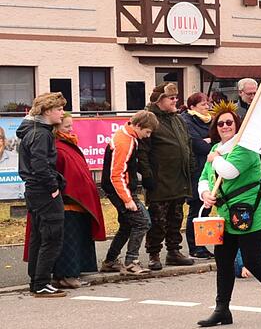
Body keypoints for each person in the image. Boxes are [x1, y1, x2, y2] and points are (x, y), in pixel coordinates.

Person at [197, 102, 261, 327]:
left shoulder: (245, 147)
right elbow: (204, 176)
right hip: (225, 213)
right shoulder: (216, 150)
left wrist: (216, 159)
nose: (224, 126)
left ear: (237, 124)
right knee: (223, 260)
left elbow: (229, 172)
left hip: (252, 212)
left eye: (229, 122)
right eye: (220, 123)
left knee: (252, 260)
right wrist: (205, 193)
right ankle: (222, 309)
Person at [27, 113, 106, 288]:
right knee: (62, 242)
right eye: (67, 127)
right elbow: (47, 171)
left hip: (75, 203)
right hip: (64, 203)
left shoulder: (67, 145)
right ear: (56, 128)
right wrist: (59, 190)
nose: (71, 130)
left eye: (71, 126)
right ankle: (63, 275)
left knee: (73, 240)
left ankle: (69, 274)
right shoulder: (57, 147)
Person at [18, 93, 69, 297]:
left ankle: (36, 281)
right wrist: (52, 186)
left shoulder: (34, 131)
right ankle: (41, 283)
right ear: (47, 111)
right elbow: (39, 164)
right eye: (59, 109)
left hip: (34, 190)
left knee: (38, 236)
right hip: (43, 191)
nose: (62, 113)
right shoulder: (41, 133)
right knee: (52, 236)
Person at [139, 82, 193, 269]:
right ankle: (154, 254)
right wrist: (147, 176)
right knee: (158, 220)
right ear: (160, 100)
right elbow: (143, 152)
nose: (175, 101)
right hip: (160, 180)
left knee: (176, 217)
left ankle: (174, 251)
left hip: (179, 179)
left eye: (176, 98)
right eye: (171, 98)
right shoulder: (150, 119)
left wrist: (191, 166)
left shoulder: (177, 119)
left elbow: (187, 144)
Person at [100, 111, 158, 274]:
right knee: (143, 222)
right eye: (147, 132)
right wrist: (127, 199)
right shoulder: (125, 142)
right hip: (120, 189)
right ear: (138, 126)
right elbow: (116, 174)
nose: (147, 136)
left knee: (127, 225)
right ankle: (131, 261)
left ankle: (110, 261)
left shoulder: (127, 135)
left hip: (119, 188)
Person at [182, 92, 213, 259]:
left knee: (206, 210)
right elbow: (198, 145)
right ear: (192, 107)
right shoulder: (187, 120)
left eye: (207, 104)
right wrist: (208, 142)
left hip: (209, 171)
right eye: (202, 105)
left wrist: (210, 141)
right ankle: (195, 247)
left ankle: (203, 245)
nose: (207, 107)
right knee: (196, 209)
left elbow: (218, 141)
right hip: (195, 172)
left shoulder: (210, 120)